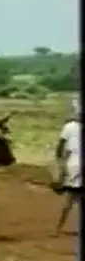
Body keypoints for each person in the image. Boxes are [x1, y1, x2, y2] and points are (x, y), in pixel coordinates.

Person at [54, 98, 81, 235]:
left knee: (69, 199)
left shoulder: (69, 127)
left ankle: (58, 229)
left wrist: (60, 163)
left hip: (73, 165)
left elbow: (60, 147)